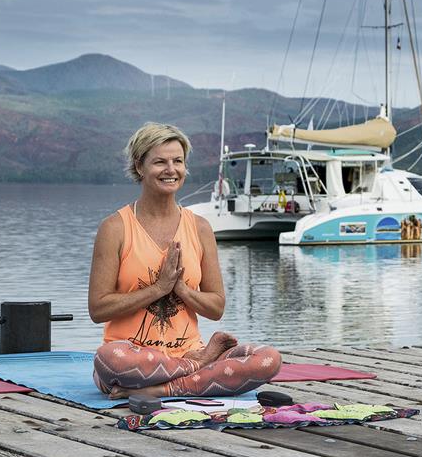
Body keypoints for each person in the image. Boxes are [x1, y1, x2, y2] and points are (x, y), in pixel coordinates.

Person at [88, 122, 282, 399]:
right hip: (133, 359)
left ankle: (166, 387)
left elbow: (216, 308)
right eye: (160, 162)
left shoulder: (200, 227)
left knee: (268, 358)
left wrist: (182, 290)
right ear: (139, 166)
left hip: (189, 351)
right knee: (109, 358)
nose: (171, 170)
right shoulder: (115, 228)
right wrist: (158, 288)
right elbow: (98, 309)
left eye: (177, 161)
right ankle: (195, 371)